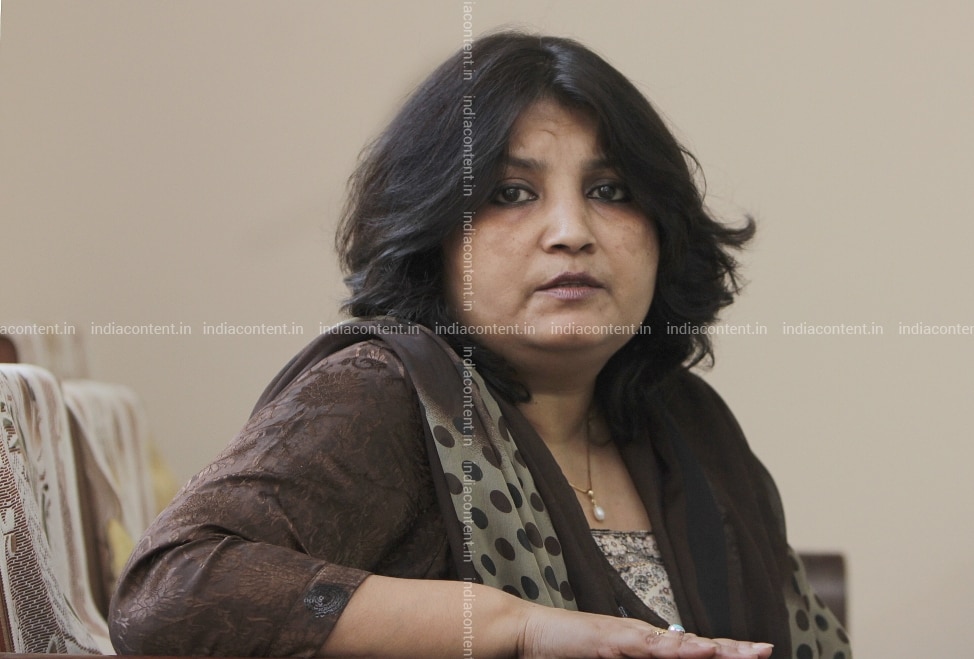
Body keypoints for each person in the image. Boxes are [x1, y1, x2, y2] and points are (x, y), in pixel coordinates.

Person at [109, 31, 851, 658]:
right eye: (511, 193)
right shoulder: (385, 396)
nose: (571, 231)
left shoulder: (689, 425)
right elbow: (169, 593)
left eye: (611, 191)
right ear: (433, 231)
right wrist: (512, 626)